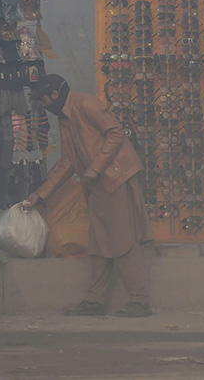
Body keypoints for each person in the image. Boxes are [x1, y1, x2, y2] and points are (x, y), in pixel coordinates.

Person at [20, 75, 154, 317]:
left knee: (123, 241)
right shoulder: (65, 119)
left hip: (116, 178)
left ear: (53, 95)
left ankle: (139, 300)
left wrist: (95, 168)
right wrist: (40, 195)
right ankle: (95, 300)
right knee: (100, 242)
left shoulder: (85, 104)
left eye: (44, 99)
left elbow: (115, 133)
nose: (45, 105)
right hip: (98, 185)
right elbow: (68, 161)